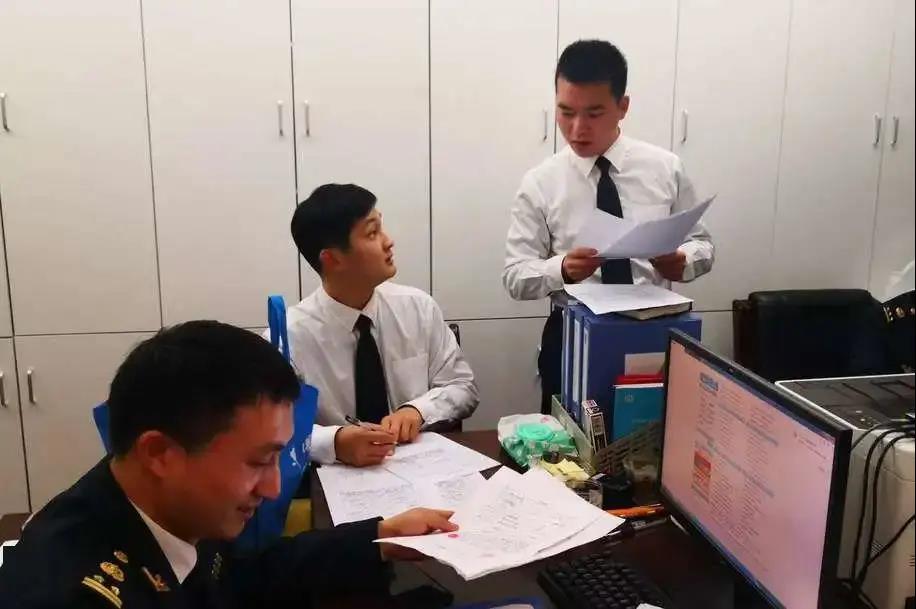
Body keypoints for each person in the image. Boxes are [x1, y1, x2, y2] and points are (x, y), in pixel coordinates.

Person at [0, 321, 458, 608]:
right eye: (258, 461)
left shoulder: (167, 508)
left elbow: (240, 577)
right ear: (159, 454)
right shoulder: (73, 594)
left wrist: (380, 537)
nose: (274, 487)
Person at [502, 39, 715, 412]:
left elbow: (703, 245)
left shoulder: (665, 169)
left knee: (655, 436)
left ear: (623, 107)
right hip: (573, 335)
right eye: (566, 112)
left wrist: (683, 261)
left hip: (654, 329)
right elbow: (515, 276)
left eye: (594, 113)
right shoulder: (541, 183)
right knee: (566, 443)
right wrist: (562, 269)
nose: (577, 128)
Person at [287, 183, 479, 467]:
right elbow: (276, 430)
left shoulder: (418, 308)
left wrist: (418, 410)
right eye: (372, 233)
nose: (388, 242)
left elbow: (462, 386)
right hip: (337, 477)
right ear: (333, 259)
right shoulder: (291, 337)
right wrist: (335, 442)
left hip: (422, 468)